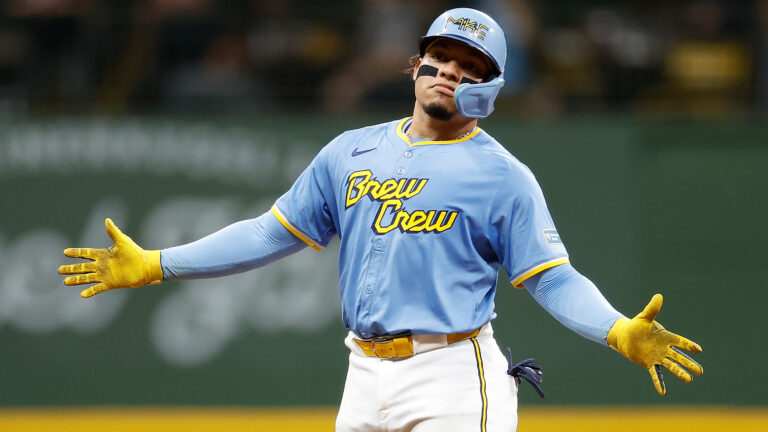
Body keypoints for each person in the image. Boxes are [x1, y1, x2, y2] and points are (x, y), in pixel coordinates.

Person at [58, 8, 703, 432]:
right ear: (417, 63)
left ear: (490, 88)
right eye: (442, 57)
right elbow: (269, 232)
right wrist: (157, 264)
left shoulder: (501, 175)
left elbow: (551, 278)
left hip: (451, 373)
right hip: (364, 371)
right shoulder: (351, 150)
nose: (450, 70)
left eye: (470, 66)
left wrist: (616, 329)